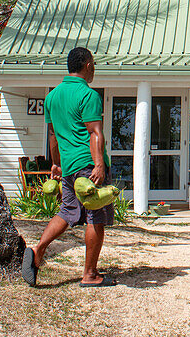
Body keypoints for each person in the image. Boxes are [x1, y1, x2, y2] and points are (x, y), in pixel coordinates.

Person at [22, 47, 113, 287]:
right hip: (88, 165)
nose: (94, 68)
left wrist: (56, 164)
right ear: (88, 66)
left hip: (70, 167)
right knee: (96, 216)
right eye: (93, 64)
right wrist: (99, 164)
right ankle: (90, 274)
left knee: (67, 210)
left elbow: (53, 137)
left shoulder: (52, 96)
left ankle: (38, 249)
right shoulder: (88, 95)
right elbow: (95, 133)